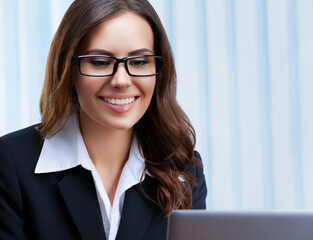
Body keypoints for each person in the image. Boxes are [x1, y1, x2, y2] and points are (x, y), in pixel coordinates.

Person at [0, 0, 207, 239]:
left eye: (139, 62)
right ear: (69, 69)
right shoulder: (12, 164)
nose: (121, 80)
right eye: (99, 62)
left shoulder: (183, 168)